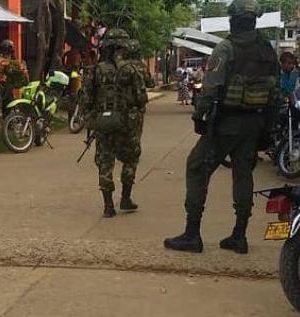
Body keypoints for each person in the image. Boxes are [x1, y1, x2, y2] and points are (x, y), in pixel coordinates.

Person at [164, 0, 279, 254]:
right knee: (243, 174)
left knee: (196, 167)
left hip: (226, 122)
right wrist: (268, 129)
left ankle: (192, 234)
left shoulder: (226, 48)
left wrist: (199, 115)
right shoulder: (267, 50)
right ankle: (239, 235)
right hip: (254, 123)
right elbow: (275, 92)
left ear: (235, 20)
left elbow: (211, 87)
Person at [80, 29, 147, 218]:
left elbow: (86, 99)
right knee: (130, 159)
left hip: (103, 122)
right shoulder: (131, 70)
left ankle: (108, 205)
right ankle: (125, 198)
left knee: (105, 162)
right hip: (127, 123)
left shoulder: (95, 70)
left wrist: (93, 121)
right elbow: (141, 97)